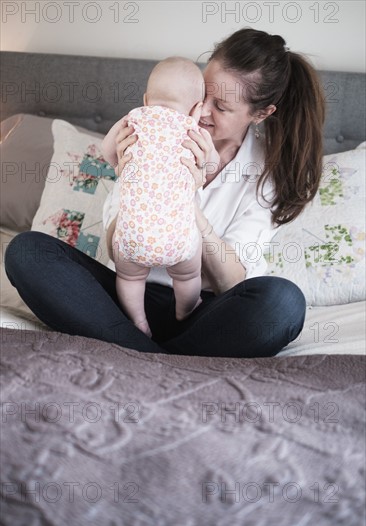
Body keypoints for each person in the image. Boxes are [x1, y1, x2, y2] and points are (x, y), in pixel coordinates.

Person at [5, 28, 325, 358]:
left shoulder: (266, 169)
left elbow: (232, 282)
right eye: (203, 94)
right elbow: (118, 252)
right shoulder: (151, 132)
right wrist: (130, 180)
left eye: (221, 107)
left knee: (283, 303)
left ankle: (133, 355)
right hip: (125, 302)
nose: (200, 112)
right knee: (27, 252)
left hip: (203, 313)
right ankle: (156, 357)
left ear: (260, 114)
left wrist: (188, 200)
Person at [101, 57, 219, 337]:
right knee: (189, 274)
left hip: (131, 236)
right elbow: (210, 166)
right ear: (197, 108)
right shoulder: (195, 131)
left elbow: (108, 151)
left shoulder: (132, 120)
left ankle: (138, 322)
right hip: (176, 238)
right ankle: (186, 310)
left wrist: (121, 165)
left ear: (145, 99)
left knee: (129, 276)